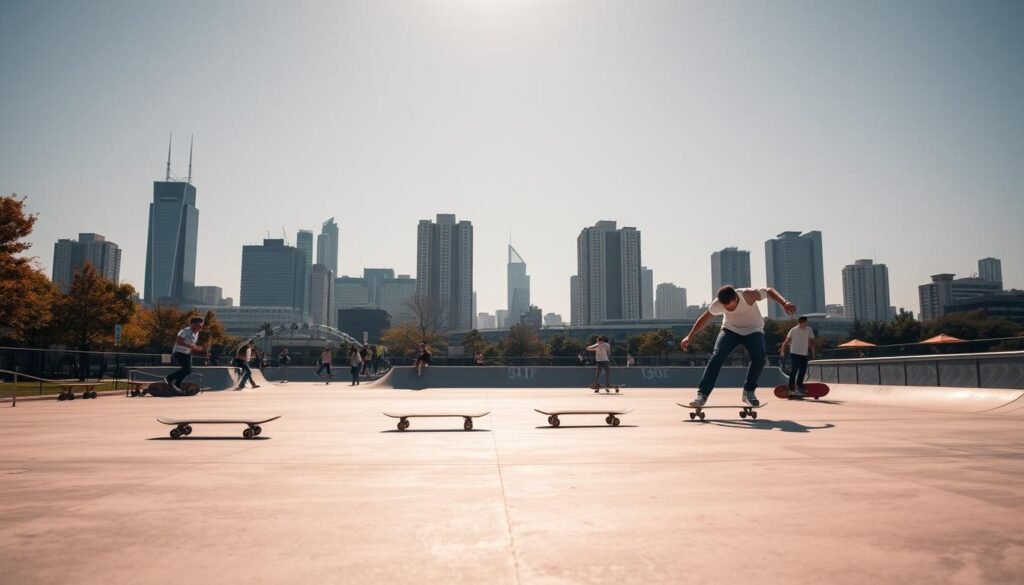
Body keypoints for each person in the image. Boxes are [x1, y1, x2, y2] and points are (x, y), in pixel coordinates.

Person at [680, 285, 796, 407]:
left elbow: (769, 290)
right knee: (717, 357)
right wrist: (690, 336)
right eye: (725, 307)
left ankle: (748, 391)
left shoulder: (748, 295)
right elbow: (705, 318)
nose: (728, 309)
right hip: (730, 330)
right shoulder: (718, 303)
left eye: (730, 306)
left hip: (753, 330)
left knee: (759, 357)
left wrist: (784, 302)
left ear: (735, 298)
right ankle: (702, 395)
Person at [780, 316, 815, 397]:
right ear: (799, 323)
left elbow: (812, 340)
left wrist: (813, 350)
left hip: (804, 353)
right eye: (803, 323)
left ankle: (799, 386)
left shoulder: (809, 329)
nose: (805, 325)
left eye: (806, 323)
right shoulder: (793, 330)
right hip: (794, 353)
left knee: (803, 370)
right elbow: (787, 340)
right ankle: (791, 388)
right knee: (794, 369)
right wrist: (782, 349)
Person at [167, 317, 205, 393]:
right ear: (192, 324)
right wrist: (191, 346)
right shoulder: (185, 331)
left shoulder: (197, 333)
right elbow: (178, 341)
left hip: (187, 353)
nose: (199, 328)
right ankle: (169, 378)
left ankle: (177, 384)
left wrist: (197, 348)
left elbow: (192, 343)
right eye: (198, 325)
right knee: (186, 369)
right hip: (178, 352)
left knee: (188, 371)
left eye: (201, 326)